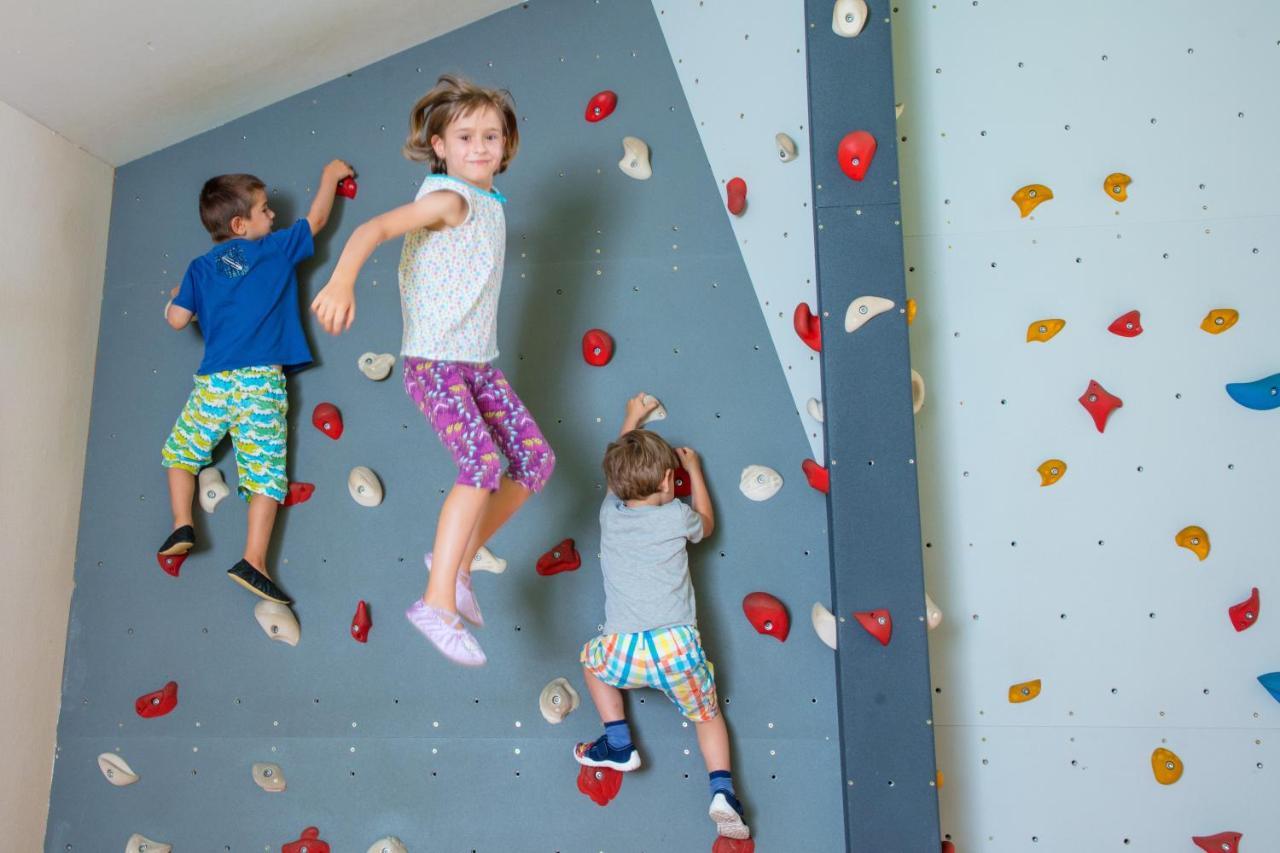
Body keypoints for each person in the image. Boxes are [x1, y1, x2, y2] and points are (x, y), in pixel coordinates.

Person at [310, 74, 554, 666]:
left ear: (507, 144)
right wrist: (342, 280)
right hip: (437, 363)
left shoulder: (490, 202)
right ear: (440, 146)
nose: (480, 146)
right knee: (481, 464)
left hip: (477, 364)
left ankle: (459, 563)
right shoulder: (449, 199)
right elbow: (375, 228)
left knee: (535, 462)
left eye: (491, 135)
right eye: (465, 135)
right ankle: (435, 601)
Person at [158, 160, 354, 604]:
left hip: (215, 383)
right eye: (266, 210)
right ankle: (254, 560)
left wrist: (176, 298)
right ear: (240, 224)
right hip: (261, 382)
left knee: (180, 452)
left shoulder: (200, 268)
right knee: (265, 472)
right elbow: (318, 220)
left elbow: (176, 321)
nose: (274, 217)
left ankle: (179, 523)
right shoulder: (275, 248)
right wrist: (329, 175)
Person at [574, 392, 749, 840]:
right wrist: (696, 471)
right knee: (707, 716)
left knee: (591, 664)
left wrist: (631, 415)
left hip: (623, 649)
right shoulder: (676, 516)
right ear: (670, 483)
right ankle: (721, 791)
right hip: (676, 649)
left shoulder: (610, 515)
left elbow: (616, 476)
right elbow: (707, 525)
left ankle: (617, 740)